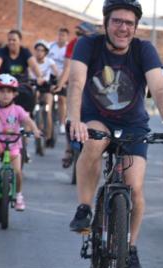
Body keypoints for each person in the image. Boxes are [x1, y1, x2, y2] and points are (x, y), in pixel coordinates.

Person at [67, 0, 163, 268]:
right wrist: (74, 119)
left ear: (136, 27)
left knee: (134, 188)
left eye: (129, 23)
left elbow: (158, 87)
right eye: (117, 21)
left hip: (133, 123)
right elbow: (76, 83)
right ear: (106, 23)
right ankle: (84, 208)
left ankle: (130, 248)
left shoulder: (143, 49)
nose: (123, 28)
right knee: (95, 143)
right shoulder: (89, 46)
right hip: (96, 117)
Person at [0, 74, 42, 211]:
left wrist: (35, 130)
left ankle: (18, 196)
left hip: (14, 145)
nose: (5, 95)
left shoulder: (18, 110)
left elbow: (28, 121)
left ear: (14, 94)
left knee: (18, 173)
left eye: (9, 92)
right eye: (2, 92)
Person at [54, 22, 98, 169]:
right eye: (77, 34)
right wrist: (60, 84)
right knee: (71, 116)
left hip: (95, 85)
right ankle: (68, 149)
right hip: (76, 82)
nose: (78, 37)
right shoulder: (73, 44)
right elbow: (68, 67)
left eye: (82, 34)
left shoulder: (99, 44)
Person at [31, 40, 59, 148]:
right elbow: (27, 70)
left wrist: (56, 82)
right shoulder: (32, 61)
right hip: (35, 86)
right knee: (34, 96)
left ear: (46, 52)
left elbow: (57, 73)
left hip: (47, 87)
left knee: (48, 109)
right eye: (37, 50)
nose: (39, 53)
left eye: (42, 51)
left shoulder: (49, 61)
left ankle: (49, 136)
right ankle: (34, 116)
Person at [48, 28, 70, 138]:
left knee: (62, 99)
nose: (60, 37)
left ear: (67, 37)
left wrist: (64, 80)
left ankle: (62, 123)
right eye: (59, 35)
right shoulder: (51, 46)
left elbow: (69, 66)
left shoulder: (68, 48)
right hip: (51, 76)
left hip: (63, 77)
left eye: (63, 35)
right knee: (46, 97)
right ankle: (42, 116)